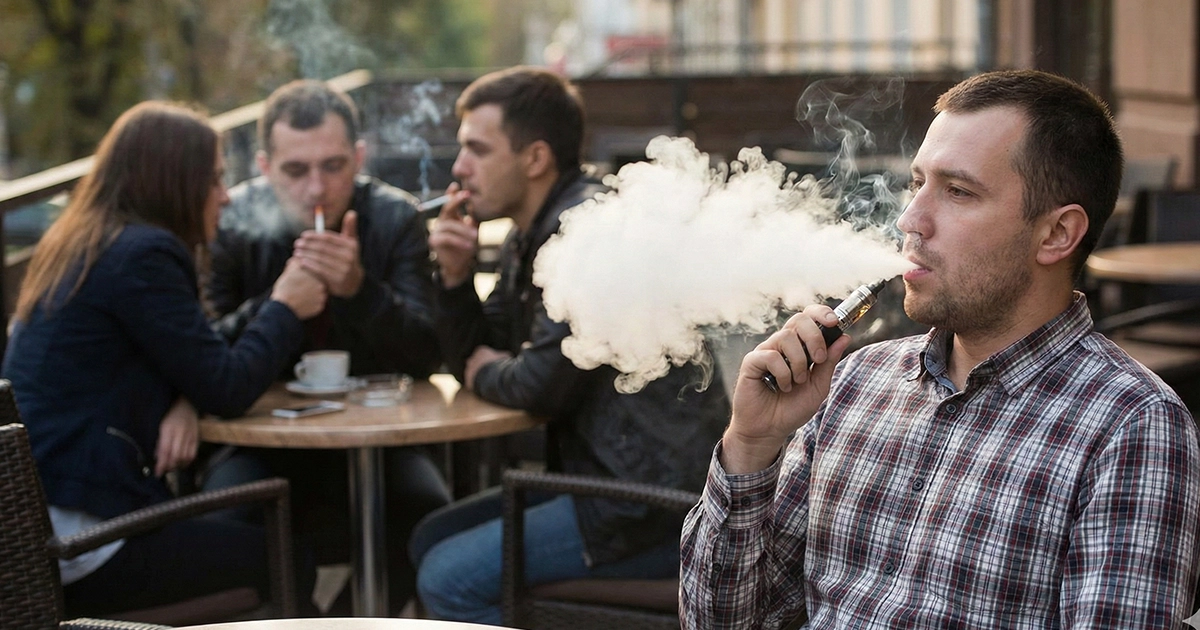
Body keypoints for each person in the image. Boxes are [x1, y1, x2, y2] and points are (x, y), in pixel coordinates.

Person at [680, 69, 1200, 628]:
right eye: (916, 183)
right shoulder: (851, 383)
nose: (910, 220)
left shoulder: (1132, 426)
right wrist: (751, 445)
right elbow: (722, 621)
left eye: (958, 192)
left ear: (1055, 235)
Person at [412, 66, 731, 624]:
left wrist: (485, 366)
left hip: (645, 506)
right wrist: (456, 278)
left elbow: (537, 387)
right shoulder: (531, 234)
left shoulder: (584, 235)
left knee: (446, 579)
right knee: (428, 538)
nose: (458, 168)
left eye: (476, 150)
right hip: (596, 480)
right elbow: (486, 348)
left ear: (534, 159)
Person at [1, 101, 326, 616]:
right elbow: (227, 387)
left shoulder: (93, 241)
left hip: (41, 528)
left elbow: (189, 351)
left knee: (255, 538)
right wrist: (285, 307)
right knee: (287, 555)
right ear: (174, 182)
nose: (224, 196)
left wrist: (182, 396)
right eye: (214, 180)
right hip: (83, 544)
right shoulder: (145, 254)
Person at [202, 79, 449, 612]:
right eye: (295, 170)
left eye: (334, 166)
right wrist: (281, 301)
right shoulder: (231, 221)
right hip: (258, 443)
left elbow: (429, 354)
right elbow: (204, 350)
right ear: (266, 167)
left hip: (380, 445)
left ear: (358, 158)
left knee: (428, 519)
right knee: (222, 526)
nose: (316, 188)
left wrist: (359, 291)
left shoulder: (394, 217)